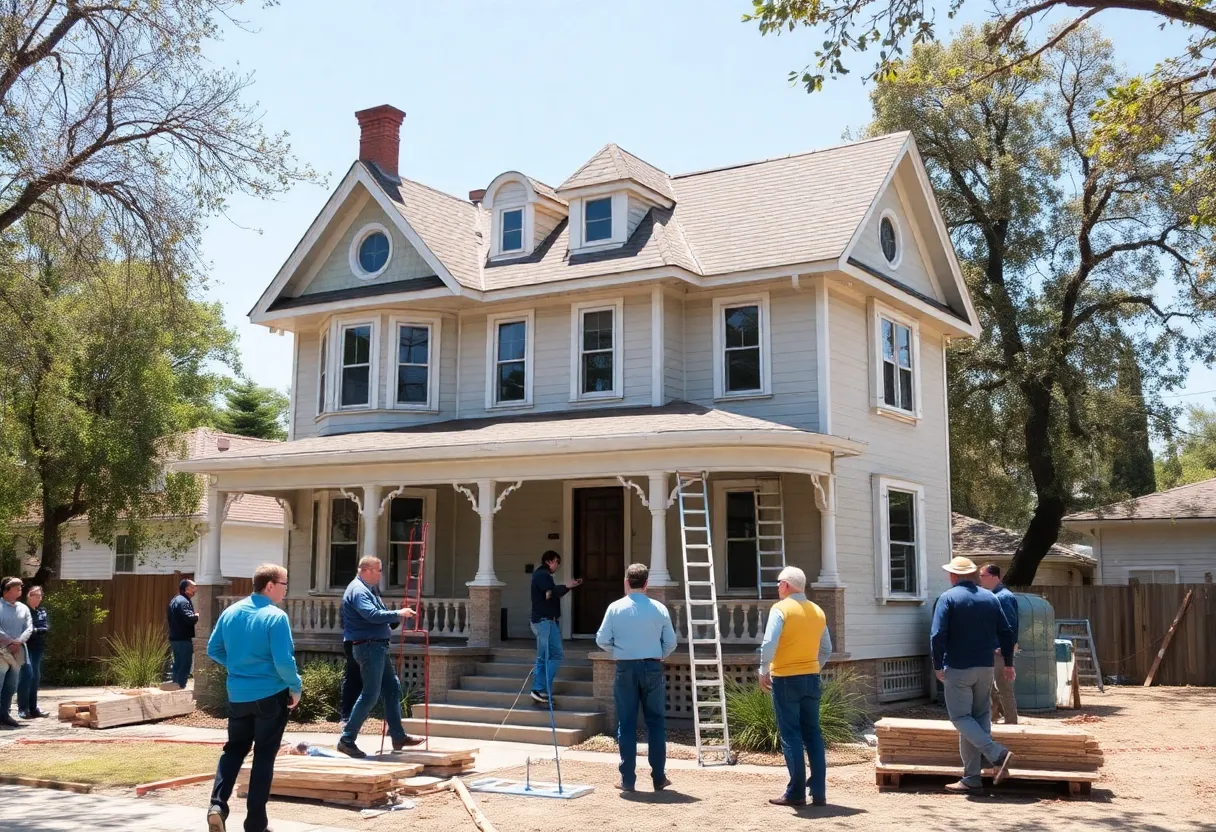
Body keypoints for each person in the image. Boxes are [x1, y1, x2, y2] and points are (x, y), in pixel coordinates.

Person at [206, 563, 303, 832]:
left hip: (238, 695)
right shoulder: (275, 616)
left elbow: (213, 649)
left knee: (234, 750)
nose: (286, 589)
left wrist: (239, 665)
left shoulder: (231, 612)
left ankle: (217, 805)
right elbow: (284, 661)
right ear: (269, 585)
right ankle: (256, 823)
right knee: (263, 757)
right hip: (271, 695)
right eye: (284, 584)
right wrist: (295, 686)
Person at [931, 556, 1017, 793]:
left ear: (953, 576)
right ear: (973, 575)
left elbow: (937, 635)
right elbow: (1007, 632)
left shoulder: (948, 598)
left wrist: (937, 665)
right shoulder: (990, 597)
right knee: (977, 719)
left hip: (958, 667)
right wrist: (1008, 663)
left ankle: (997, 754)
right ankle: (972, 777)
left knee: (960, 718)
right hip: (986, 667)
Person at [595, 563, 678, 793]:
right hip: (652, 666)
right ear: (646, 584)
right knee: (656, 723)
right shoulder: (659, 608)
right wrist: (660, 654)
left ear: (626, 582)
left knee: (627, 723)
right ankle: (659, 777)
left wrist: (619, 651)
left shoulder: (615, 608)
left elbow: (601, 639)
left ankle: (628, 780)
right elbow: (671, 642)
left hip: (625, 667)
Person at [759, 566, 833, 808]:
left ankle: (796, 793)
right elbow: (827, 649)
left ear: (787, 585)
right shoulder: (818, 611)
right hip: (811, 677)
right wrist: (813, 667)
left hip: (786, 678)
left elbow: (769, 643)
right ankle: (819, 792)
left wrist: (763, 670)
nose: (777, 587)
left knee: (791, 735)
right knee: (813, 733)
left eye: (779, 582)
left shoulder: (781, 609)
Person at [336, 556, 421, 758]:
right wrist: (398, 612)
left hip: (377, 646)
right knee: (370, 694)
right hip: (368, 646)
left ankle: (398, 736)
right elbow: (372, 615)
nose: (381, 574)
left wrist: (394, 617)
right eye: (379, 570)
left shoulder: (368, 589)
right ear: (367, 570)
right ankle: (347, 739)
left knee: (392, 687)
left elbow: (380, 612)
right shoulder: (358, 590)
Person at [529, 550, 581, 706]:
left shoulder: (545, 576)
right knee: (546, 656)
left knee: (554, 655)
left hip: (550, 622)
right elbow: (549, 594)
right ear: (549, 561)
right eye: (557, 562)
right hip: (543, 621)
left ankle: (541, 687)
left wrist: (567, 587)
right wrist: (567, 586)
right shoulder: (541, 575)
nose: (558, 565)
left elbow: (552, 593)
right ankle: (538, 689)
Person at [979, 564, 1019, 725]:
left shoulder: (1003, 597)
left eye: (983, 576)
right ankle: (995, 716)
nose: (980, 579)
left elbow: (1009, 626)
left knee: (1004, 686)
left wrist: (1005, 648)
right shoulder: (994, 596)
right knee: (990, 686)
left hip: (1000, 650)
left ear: (994, 577)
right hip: (993, 648)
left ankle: (1011, 721)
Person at [0, 576, 32, 729]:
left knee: (11, 686)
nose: (20, 588)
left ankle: (5, 714)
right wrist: (10, 641)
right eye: (16, 586)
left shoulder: (23, 608)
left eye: (21, 586)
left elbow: (29, 627)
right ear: (7, 590)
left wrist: (19, 641)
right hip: (1, 652)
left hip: (17, 652)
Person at [17, 585, 49, 719]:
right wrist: (34, 630)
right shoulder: (23, 610)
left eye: (40, 596)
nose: (38, 599)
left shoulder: (42, 611)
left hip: (38, 648)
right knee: (26, 676)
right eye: (35, 596)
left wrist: (33, 630)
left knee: (35, 677)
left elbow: (45, 628)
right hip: (24, 646)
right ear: (28, 596)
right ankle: (23, 709)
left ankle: (33, 708)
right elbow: (23, 629)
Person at [167, 578, 199, 690]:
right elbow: (189, 618)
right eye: (192, 587)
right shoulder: (183, 602)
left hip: (174, 638)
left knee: (178, 663)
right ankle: (180, 687)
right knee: (185, 664)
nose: (195, 590)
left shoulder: (175, 600)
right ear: (185, 589)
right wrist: (197, 616)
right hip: (183, 639)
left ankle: (175, 685)